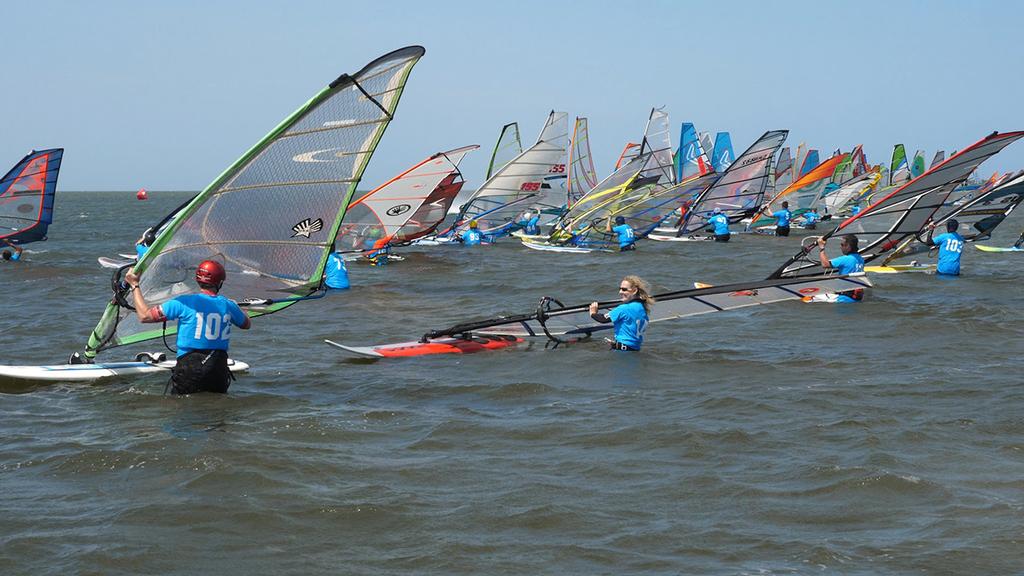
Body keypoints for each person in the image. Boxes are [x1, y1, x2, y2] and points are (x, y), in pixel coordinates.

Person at [125, 260, 251, 394]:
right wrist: (241, 311)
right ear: (219, 282)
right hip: (218, 369)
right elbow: (246, 324)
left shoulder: (183, 302)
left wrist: (134, 285)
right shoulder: (228, 305)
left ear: (198, 280)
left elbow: (145, 316)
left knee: (183, 408)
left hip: (190, 368)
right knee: (216, 410)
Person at [588, 275, 653, 351]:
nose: (620, 292)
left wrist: (593, 312)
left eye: (624, 289)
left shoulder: (624, 308)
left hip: (623, 351)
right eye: (620, 289)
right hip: (635, 349)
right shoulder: (642, 308)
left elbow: (603, 319)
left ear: (635, 290)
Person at [817, 234, 865, 302]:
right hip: (857, 297)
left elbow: (825, 264)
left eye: (842, 245)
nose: (840, 247)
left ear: (848, 246)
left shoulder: (845, 259)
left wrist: (821, 248)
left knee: (808, 298)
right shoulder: (861, 259)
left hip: (844, 298)